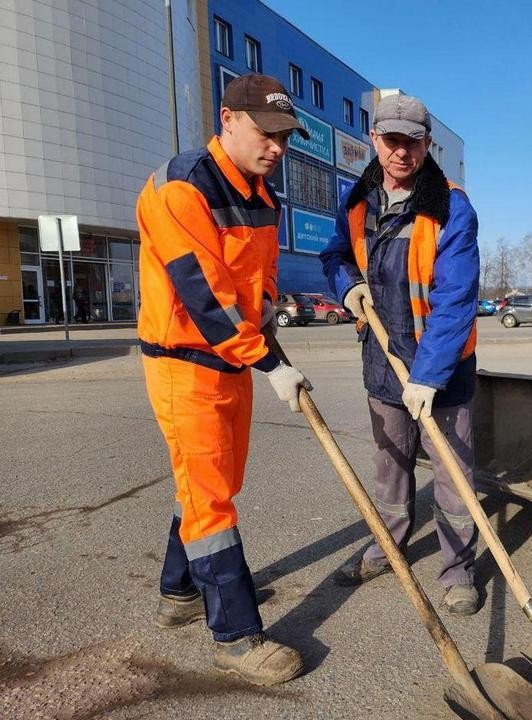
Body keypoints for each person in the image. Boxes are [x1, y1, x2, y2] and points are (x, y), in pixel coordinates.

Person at [136, 73, 312, 685]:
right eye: (268, 134)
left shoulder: (263, 197)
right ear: (228, 120)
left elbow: (255, 286)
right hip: (185, 362)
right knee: (210, 495)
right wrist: (269, 363)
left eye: (286, 138)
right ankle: (235, 636)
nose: (278, 149)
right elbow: (205, 298)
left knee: (217, 480)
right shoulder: (180, 188)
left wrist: (270, 331)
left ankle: (179, 593)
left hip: (231, 360)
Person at [320, 94, 482, 616]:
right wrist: (347, 286)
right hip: (383, 362)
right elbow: (335, 254)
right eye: (391, 140)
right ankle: (388, 548)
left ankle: (457, 570)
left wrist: (429, 375)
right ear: (374, 138)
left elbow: (456, 298)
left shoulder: (451, 205)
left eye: (412, 142)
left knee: (453, 476)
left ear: (426, 144)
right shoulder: (359, 198)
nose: (401, 153)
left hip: (444, 371)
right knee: (390, 470)